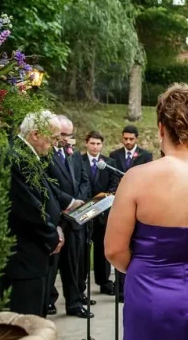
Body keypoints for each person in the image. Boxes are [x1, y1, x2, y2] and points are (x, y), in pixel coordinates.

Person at [105, 84, 188, 339]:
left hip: (149, 295)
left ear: (161, 128)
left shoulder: (136, 179)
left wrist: (148, 269)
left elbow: (114, 250)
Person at [0, 111, 65, 317]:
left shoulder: (25, 154)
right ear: (35, 134)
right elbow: (29, 208)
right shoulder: (15, 158)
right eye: (53, 138)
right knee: (26, 321)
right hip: (22, 260)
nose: (55, 144)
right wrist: (52, 236)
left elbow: (45, 196)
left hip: (32, 257)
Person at [45, 114, 92, 318]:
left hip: (75, 217)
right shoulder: (45, 154)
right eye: (63, 134)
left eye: (69, 135)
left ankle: (74, 303)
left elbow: (84, 180)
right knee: (52, 264)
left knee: (73, 263)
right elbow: (47, 184)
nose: (66, 139)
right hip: (56, 216)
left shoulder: (74, 154)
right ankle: (48, 300)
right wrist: (67, 203)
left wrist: (77, 202)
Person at [108, 124, 153, 301]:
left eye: (131, 139)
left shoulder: (146, 156)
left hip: (139, 204)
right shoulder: (114, 155)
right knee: (121, 245)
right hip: (119, 202)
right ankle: (119, 289)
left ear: (136, 139)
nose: (127, 142)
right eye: (125, 138)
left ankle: (132, 286)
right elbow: (112, 179)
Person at [81, 130, 120, 296]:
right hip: (83, 211)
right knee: (83, 249)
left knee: (102, 248)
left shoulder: (109, 162)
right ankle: (80, 284)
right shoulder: (78, 161)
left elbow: (114, 184)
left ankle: (104, 281)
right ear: (86, 143)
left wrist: (101, 203)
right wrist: (88, 204)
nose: (95, 147)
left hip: (103, 212)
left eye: (98, 144)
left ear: (102, 145)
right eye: (92, 143)